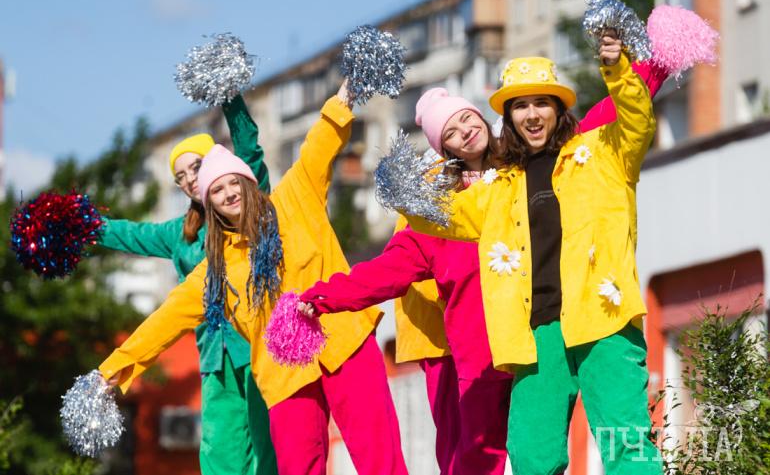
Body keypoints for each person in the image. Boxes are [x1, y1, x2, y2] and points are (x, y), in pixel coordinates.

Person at [99, 82, 408, 475]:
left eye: (234, 182)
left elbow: (319, 145)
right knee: (297, 467)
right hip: (285, 374)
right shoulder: (215, 270)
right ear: (209, 204)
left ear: (248, 181)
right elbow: (164, 321)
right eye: (217, 191)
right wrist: (112, 371)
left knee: (380, 458)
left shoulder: (294, 197)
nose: (229, 193)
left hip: (347, 344)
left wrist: (343, 98)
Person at [401, 32, 663, 474]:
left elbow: (637, 119)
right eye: (520, 106)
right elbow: (443, 216)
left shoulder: (602, 150)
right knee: (532, 457)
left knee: (626, 443)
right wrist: (401, 190)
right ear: (508, 118)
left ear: (558, 108)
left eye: (542, 102)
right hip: (538, 336)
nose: (532, 114)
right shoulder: (502, 183)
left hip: (604, 320)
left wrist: (617, 70)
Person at [98, 95, 275, 475]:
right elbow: (130, 234)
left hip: (262, 348)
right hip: (216, 359)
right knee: (219, 452)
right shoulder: (181, 234)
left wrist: (229, 96)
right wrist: (80, 224)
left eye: (196, 167)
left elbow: (249, 147)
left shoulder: (248, 202)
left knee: (268, 449)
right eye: (180, 176)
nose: (190, 179)